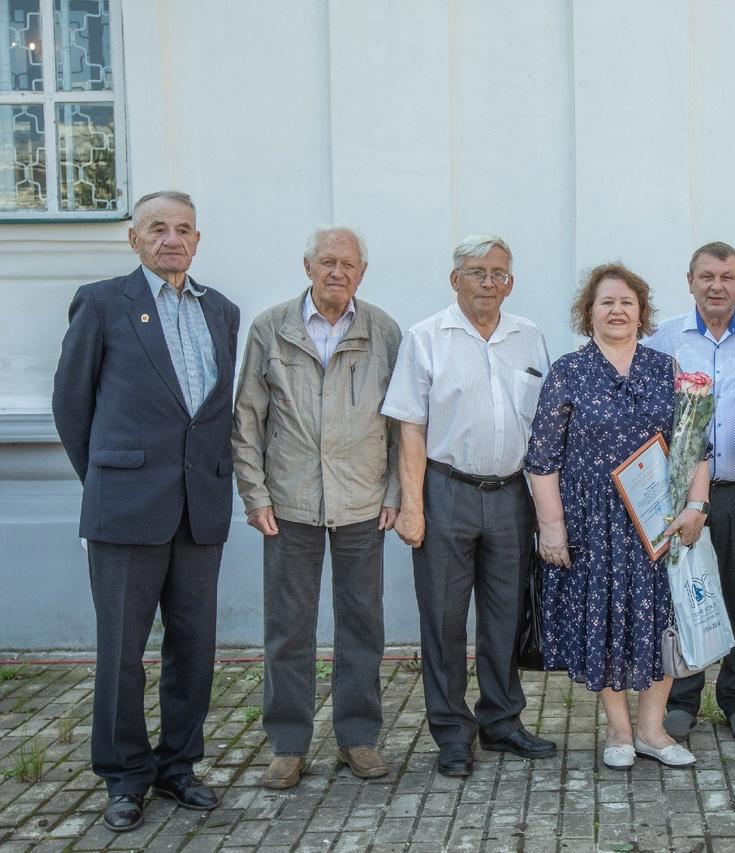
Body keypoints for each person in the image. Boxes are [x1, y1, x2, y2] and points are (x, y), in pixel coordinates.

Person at [52, 191, 239, 832]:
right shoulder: (103, 302)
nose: (171, 239)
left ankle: (179, 765)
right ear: (133, 237)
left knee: (194, 648)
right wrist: (107, 480)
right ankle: (125, 775)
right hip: (126, 507)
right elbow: (71, 406)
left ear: (197, 238)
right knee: (123, 651)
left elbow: (213, 413)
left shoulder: (222, 311)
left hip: (200, 508)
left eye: (183, 228)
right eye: (157, 228)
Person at [232, 226, 402, 789]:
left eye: (347, 264)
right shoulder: (271, 328)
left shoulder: (383, 331)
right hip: (289, 502)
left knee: (362, 625)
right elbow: (247, 419)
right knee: (288, 630)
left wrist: (396, 493)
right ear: (308, 266)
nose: (337, 272)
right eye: (326, 262)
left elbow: (404, 421)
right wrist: (254, 495)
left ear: (362, 272)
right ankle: (288, 743)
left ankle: (358, 737)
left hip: (361, 501)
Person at [381, 234, 555, 778]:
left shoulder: (529, 337)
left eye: (497, 272)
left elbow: (547, 426)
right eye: (476, 272)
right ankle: (453, 733)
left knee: (506, 616)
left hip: (510, 495)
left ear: (511, 281)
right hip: (446, 491)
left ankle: (502, 721)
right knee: (443, 619)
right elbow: (409, 426)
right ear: (454, 278)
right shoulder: (426, 337)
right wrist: (412, 506)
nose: (487, 281)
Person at [527, 263, 711, 770]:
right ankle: (620, 729)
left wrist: (696, 505)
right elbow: (543, 458)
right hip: (592, 525)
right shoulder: (568, 371)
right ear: (589, 313)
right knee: (603, 621)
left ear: (641, 311)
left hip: (658, 523)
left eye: (626, 302)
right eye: (606, 302)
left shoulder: (665, 368)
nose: (617, 310)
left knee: (660, 622)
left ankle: (653, 729)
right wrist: (553, 527)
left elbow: (696, 443)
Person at [644, 241, 735, 744]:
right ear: (690, 280)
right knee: (683, 592)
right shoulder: (662, 342)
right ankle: (683, 697)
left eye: (726, 277)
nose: (716, 286)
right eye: (706, 277)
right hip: (681, 493)